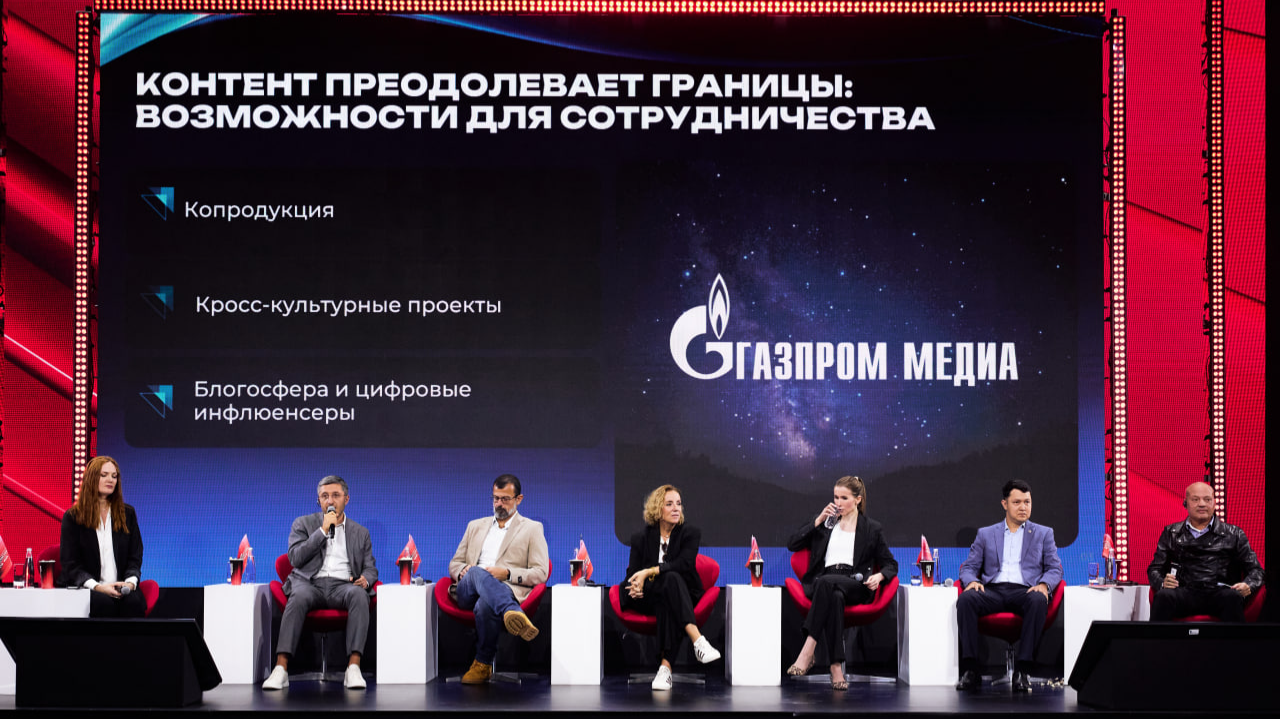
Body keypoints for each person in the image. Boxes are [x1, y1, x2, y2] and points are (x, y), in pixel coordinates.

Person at [262, 475, 377, 690]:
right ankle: (281, 668)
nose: (330, 501)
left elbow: (370, 567)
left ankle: (353, 668)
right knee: (298, 596)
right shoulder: (303, 524)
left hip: (343, 586)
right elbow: (295, 558)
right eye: (324, 496)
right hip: (310, 583)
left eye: (335, 495)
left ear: (346, 499)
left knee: (359, 595)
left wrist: (367, 579)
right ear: (319, 500)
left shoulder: (360, 533)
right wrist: (323, 531)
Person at [785, 475, 897, 690]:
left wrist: (880, 576)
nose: (838, 503)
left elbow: (890, 564)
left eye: (844, 498)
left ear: (858, 500)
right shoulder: (826, 523)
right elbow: (792, 544)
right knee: (834, 595)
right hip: (824, 582)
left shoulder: (871, 528)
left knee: (828, 584)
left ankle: (808, 649)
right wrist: (818, 520)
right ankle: (836, 666)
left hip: (855, 583)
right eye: (835, 497)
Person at [955, 479, 1062, 693]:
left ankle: (1023, 671)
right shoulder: (986, 534)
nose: (1023, 507)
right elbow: (968, 567)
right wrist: (972, 581)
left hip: (1025, 591)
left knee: (1038, 600)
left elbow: (1054, 568)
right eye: (1017, 502)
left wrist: (1044, 584)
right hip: (993, 590)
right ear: (1005, 504)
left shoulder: (1043, 533)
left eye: (1027, 502)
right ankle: (971, 669)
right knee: (966, 599)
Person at [448, 474, 549, 684]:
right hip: (468, 591)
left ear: (519, 499)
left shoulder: (532, 528)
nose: (499, 504)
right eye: (496, 498)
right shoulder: (475, 526)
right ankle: (511, 610)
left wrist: (508, 574)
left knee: (485, 605)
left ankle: (482, 664)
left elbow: (541, 572)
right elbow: (455, 563)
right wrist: (464, 570)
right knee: (477, 572)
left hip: (504, 588)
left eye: (505, 499)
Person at [621, 484, 721, 691]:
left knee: (670, 585)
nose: (676, 508)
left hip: (682, 593)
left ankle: (665, 668)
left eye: (678, 503)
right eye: (669, 504)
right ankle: (697, 640)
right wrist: (635, 585)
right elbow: (633, 572)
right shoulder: (641, 538)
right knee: (668, 586)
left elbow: (684, 564)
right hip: (648, 595)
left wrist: (650, 571)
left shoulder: (690, 533)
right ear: (658, 509)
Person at [1147, 482, 1263, 622]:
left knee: (1232, 598)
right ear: (1185, 503)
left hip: (1220, 593)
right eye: (1195, 499)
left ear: (1214, 504)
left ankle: (1236, 638)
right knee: (1164, 597)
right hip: (1184, 592)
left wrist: (1248, 585)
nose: (1202, 504)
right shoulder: (1171, 532)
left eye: (1207, 499)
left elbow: (1256, 570)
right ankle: (1155, 637)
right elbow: (1155, 569)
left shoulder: (1234, 533)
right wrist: (1162, 583)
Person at [59, 456, 147, 618]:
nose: (110, 480)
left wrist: (129, 583)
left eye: (114, 476)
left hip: (122, 586)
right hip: (90, 588)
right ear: (92, 478)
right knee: (103, 604)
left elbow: (135, 556)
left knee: (133, 603)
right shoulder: (73, 517)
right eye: (104, 475)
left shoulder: (127, 514)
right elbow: (71, 564)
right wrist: (98, 587)